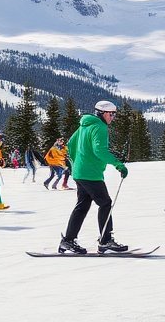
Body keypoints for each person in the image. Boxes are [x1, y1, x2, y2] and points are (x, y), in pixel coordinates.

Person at [58, 101, 129, 254]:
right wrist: (118, 164)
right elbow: (99, 151)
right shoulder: (100, 127)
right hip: (91, 174)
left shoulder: (84, 125)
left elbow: (71, 144)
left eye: (114, 114)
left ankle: (68, 241)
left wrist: (77, 163)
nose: (113, 117)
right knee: (105, 203)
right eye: (111, 114)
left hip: (80, 173)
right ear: (102, 113)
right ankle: (105, 241)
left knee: (82, 206)